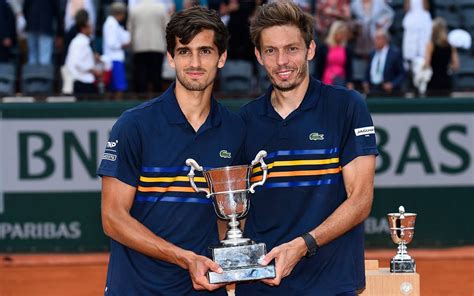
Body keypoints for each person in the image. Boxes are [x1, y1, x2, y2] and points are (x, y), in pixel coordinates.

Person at [97, 6, 244, 296]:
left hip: (202, 288)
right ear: (170, 57)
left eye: (205, 51)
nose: (195, 63)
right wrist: (183, 257)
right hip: (136, 288)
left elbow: (229, 217)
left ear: (222, 57)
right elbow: (113, 218)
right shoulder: (133, 125)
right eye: (184, 51)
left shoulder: (235, 129)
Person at [236, 1, 378, 295]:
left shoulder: (348, 107)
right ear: (258, 56)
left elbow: (360, 200)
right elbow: (236, 211)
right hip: (261, 286)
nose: (282, 61)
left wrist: (303, 245)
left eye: (292, 49)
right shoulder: (244, 121)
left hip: (331, 284)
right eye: (271, 51)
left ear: (310, 49)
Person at [128, 0, 169, 93]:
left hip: (139, 47)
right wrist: (167, 45)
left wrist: (133, 44)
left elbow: (130, 29)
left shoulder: (134, 9)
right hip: (157, 45)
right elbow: (166, 27)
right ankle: (157, 100)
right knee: (156, 75)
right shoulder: (161, 8)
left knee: (141, 75)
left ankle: (141, 100)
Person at [363, 29, 406, 96]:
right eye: (375, 39)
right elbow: (368, 70)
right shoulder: (372, 53)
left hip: (388, 91)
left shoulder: (394, 54)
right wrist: (366, 81)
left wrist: (392, 84)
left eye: (378, 39)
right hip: (373, 89)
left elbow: (402, 73)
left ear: (385, 40)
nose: (375, 41)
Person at [65, 14, 100, 95]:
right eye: (89, 26)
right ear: (83, 28)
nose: (91, 28)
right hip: (81, 82)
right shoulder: (80, 42)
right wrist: (93, 70)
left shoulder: (83, 41)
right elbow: (77, 63)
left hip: (85, 81)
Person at [102, 2, 130, 99]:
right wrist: (124, 44)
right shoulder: (111, 24)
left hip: (115, 59)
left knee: (114, 87)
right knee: (118, 88)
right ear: (119, 13)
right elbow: (112, 43)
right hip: (114, 60)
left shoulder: (114, 24)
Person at [425, 17, 459, 95]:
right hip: (446, 81)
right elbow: (456, 66)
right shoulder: (451, 45)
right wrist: (447, 66)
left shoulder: (430, 45)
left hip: (433, 81)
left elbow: (427, 64)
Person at [315, 21, 354, 89]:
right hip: (326, 80)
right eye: (340, 33)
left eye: (343, 34)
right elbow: (318, 67)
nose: (342, 36)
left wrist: (349, 82)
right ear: (334, 33)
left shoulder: (347, 49)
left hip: (342, 81)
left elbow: (349, 68)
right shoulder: (324, 48)